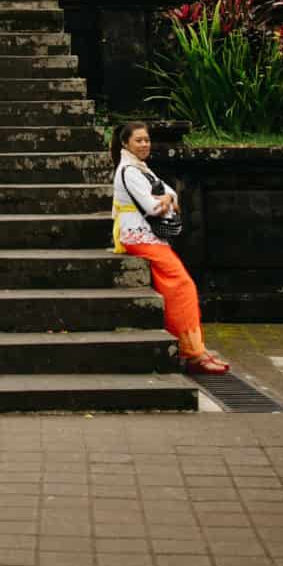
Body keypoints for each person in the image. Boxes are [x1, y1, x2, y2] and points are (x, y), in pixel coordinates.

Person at [111, 121, 229, 376]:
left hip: (149, 237)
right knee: (182, 285)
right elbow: (154, 206)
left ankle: (197, 348)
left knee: (183, 284)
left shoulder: (141, 169)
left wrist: (166, 199)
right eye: (139, 140)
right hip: (138, 237)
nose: (144, 144)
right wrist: (165, 200)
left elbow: (171, 195)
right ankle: (193, 352)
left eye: (146, 140)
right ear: (125, 143)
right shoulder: (129, 171)